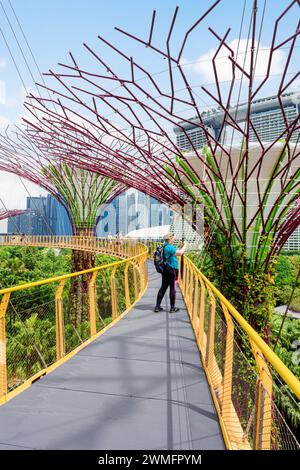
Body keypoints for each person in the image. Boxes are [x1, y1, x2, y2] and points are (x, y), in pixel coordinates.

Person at [154, 233, 187, 313]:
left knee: (163, 287)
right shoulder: (169, 247)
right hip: (172, 269)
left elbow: (173, 253)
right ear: (170, 239)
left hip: (165, 269)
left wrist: (180, 247)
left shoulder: (164, 246)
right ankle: (172, 308)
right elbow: (180, 253)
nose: (174, 240)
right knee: (172, 288)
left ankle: (157, 306)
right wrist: (185, 245)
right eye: (174, 238)